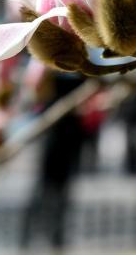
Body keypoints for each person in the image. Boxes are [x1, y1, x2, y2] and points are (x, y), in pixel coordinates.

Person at [20, 73, 85, 251]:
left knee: (56, 189)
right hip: (55, 134)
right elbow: (35, 91)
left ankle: (53, 234)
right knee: (47, 187)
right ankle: (35, 234)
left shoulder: (81, 74)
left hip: (67, 134)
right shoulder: (53, 73)